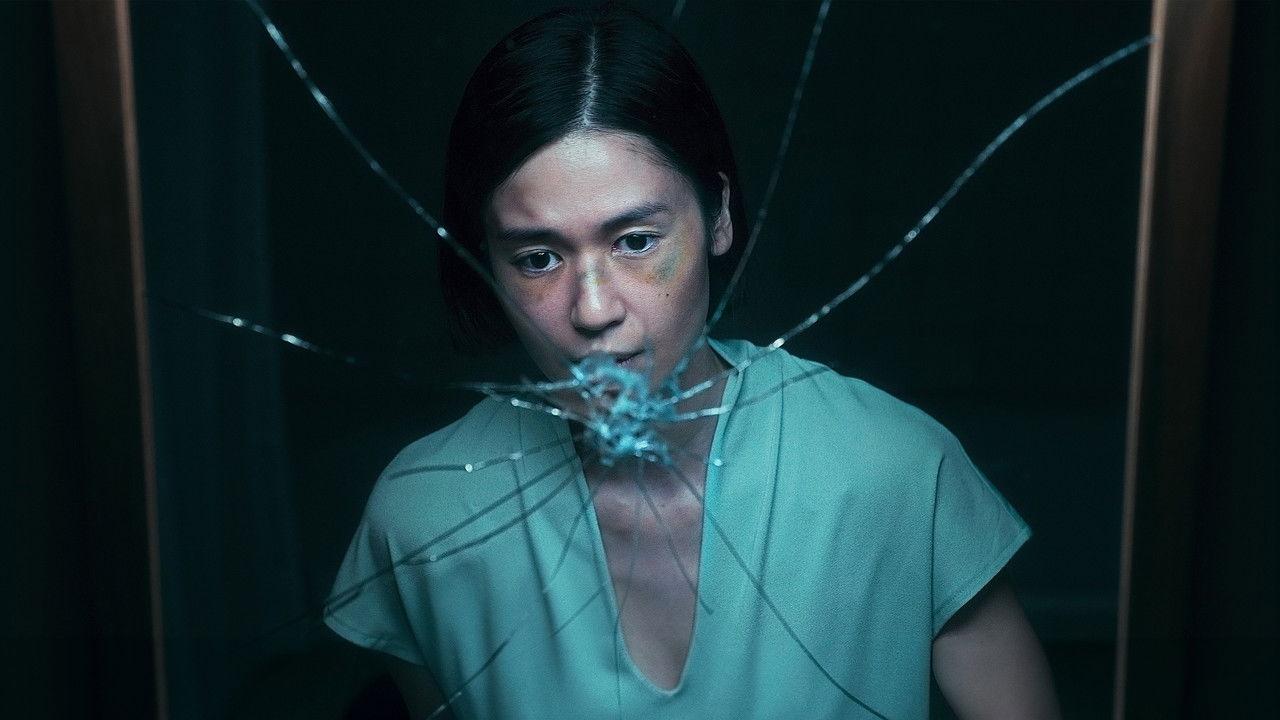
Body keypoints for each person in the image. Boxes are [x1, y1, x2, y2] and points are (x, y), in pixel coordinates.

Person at [325, 5, 1060, 718]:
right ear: (486, 261)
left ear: (719, 215)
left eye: (636, 241)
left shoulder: (890, 470)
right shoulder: (425, 516)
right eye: (539, 257)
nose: (593, 310)